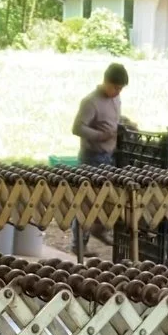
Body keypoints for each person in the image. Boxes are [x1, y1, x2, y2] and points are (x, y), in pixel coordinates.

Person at [71, 62, 130, 252]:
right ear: (106, 82)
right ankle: (79, 244)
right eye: (115, 87)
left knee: (108, 198)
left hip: (109, 156)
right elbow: (77, 128)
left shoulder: (116, 100)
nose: (118, 92)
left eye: (121, 89)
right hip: (92, 156)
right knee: (86, 201)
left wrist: (124, 124)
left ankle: (100, 227)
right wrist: (99, 136)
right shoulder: (91, 102)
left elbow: (113, 119)